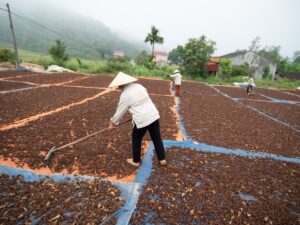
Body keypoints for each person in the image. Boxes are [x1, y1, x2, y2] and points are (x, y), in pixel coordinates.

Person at [108, 72, 167, 167]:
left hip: (142, 119)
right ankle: (162, 159)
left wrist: (113, 123)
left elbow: (120, 111)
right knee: (157, 138)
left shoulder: (125, 95)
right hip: (153, 114)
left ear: (121, 85)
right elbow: (143, 100)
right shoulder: (139, 86)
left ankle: (135, 161)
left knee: (136, 138)